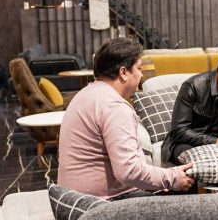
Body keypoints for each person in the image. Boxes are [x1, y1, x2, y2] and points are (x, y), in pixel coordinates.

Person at [58, 38, 194, 200]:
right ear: (123, 72)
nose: (141, 74)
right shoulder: (114, 106)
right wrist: (173, 177)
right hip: (99, 203)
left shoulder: (86, 94)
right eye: (138, 68)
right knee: (187, 205)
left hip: (72, 198)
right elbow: (129, 171)